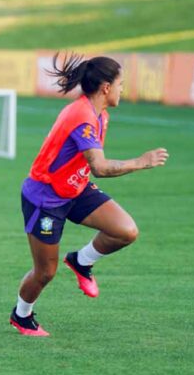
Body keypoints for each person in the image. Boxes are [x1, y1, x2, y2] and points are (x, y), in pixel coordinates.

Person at [10, 53, 169, 336]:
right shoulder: (82, 117)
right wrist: (140, 162)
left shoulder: (99, 115)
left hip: (76, 188)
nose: (123, 90)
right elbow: (100, 167)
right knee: (45, 272)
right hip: (46, 197)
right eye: (121, 84)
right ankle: (22, 315)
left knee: (125, 231)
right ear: (106, 87)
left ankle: (82, 260)